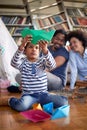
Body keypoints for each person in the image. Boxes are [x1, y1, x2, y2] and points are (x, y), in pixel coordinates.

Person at [8, 35, 68, 112]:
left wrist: (45, 50)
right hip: (29, 95)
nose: (33, 49)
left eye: (36, 48)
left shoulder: (42, 61)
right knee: (21, 106)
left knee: (64, 102)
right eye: (30, 47)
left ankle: (39, 103)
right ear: (25, 51)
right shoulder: (22, 62)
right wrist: (22, 45)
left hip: (44, 95)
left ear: (39, 51)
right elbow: (13, 63)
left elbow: (52, 65)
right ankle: (11, 100)